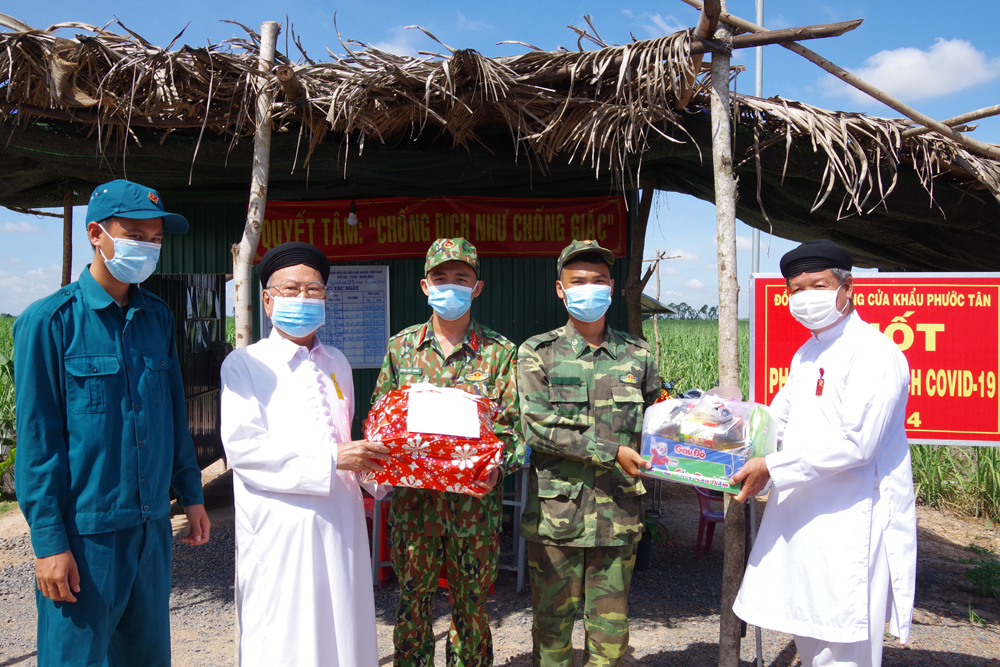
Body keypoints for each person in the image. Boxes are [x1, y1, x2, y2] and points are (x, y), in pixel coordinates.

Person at [13, 179, 210, 667]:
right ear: (96, 233)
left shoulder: (158, 318)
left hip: (151, 529)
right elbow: (38, 444)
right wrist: (49, 545)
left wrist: (192, 494)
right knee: (73, 659)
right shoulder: (48, 322)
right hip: (86, 537)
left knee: (146, 658)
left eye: (156, 238)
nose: (148, 247)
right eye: (137, 234)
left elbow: (172, 416)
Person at [732, 239, 917, 667]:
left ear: (847, 288)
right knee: (811, 633)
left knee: (845, 645)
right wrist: (719, 428)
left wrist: (770, 465)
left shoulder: (874, 352)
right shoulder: (807, 353)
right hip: (804, 517)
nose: (806, 296)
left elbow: (858, 443)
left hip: (851, 521)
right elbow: (774, 419)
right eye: (796, 289)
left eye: (818, 284)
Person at [220, 241, 390, 667]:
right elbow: (245, 450)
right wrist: (332, 458)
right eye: (291, 289)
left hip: (341, 520)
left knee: (343, 629)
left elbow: (345, 436)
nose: (303, 298)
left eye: (313, 290)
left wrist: (376, 466)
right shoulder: (245, 364)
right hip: (282, 529)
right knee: (286, 637)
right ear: (267, 299)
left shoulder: (337, 362)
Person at [372, 237, 523, 667]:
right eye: (441, 278)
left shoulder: (499, 353)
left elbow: (515, 431)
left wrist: (497, 468)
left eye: (461, 279)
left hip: (474, 511)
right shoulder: (401, 348)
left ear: (477, 288)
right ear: (425, 285)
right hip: (414, 508)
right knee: (413, 606)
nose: (450, 287)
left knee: (471, 609)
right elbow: (381, 417)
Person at [517, 239, 661, 667]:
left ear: (612, 287)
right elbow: (538, 429)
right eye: (577, 281)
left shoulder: (638, 355)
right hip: (556, 518)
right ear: (560, 290)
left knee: (611, 632)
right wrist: (613, 450)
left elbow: (658, 424)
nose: (588, 289)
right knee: (552, 626)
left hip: (618, 514)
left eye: (598, 281)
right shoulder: (537, 353)